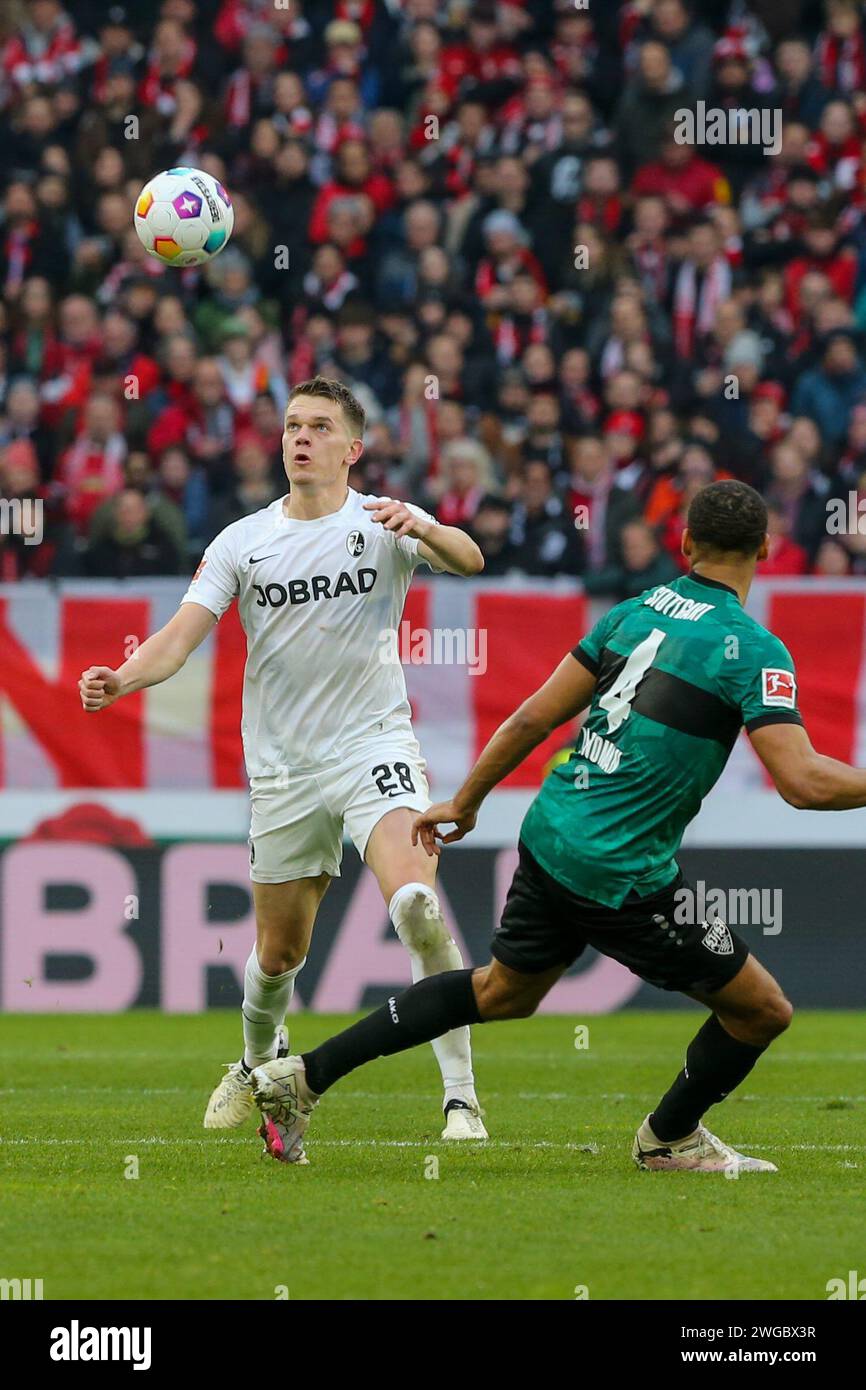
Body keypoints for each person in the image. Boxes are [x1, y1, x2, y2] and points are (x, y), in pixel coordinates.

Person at [249, 479, 866, 1171]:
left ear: (686, 544)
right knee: (762, 1011)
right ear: (765, 549)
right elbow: (804, 783)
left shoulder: (632, 613)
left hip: (550, 833)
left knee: (500, 993)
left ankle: (300, 1078)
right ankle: (668, 1139)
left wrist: (467, 800)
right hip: (623, 873)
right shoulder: (752, 650)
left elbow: (532, 718)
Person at [78, 377, 488, 1146]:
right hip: (284, 770)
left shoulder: (385, 519)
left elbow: (471, 558)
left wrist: (427, 532)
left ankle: (461, 1099)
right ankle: (255, 1068)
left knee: (416, 906)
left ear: (352, 448)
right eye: (293, 425)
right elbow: (178, 637)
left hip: (374, 748)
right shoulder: (243, 540)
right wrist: (119, 677)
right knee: (279, 955)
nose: (301, 437)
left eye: (320, 427)